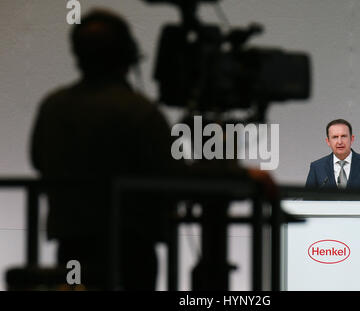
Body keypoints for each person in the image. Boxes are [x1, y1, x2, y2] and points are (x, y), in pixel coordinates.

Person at [30, 8, 277, 290]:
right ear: (128, 54)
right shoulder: (137, 111)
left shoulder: (53, 107)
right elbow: (172, 178)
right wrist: (242, 175)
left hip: (71, 249)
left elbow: (38, 159)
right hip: (130, 253)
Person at [305, 119, 360, 191]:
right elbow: (307, 201)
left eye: (343, 136)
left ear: (352, 139)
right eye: (335, 137)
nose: (340, 142)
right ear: (328, 141)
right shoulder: (317, 167)